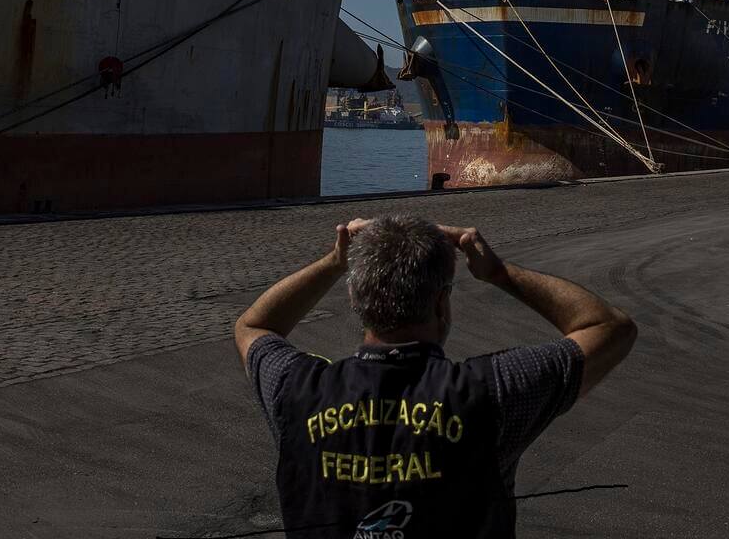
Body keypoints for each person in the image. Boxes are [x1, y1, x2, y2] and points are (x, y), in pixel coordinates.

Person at [233, 215, 637, 538]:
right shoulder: (493, 392)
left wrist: (334, 263)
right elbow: (610, 328)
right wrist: (498, 272)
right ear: (441, 304)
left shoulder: (297, 389)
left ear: (356, 300)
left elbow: (253, 327)